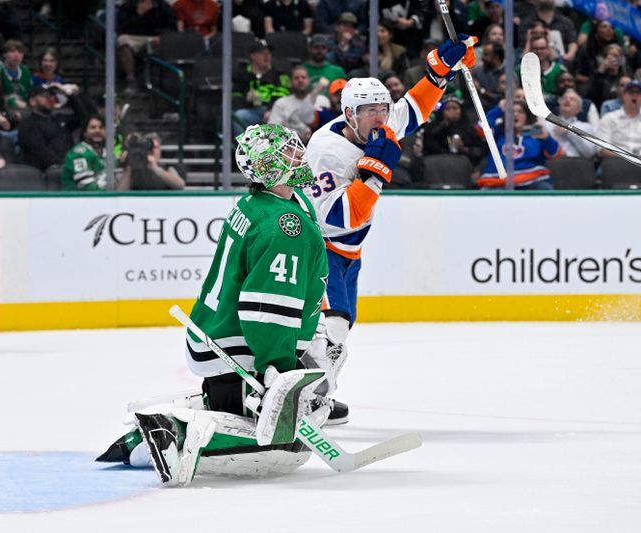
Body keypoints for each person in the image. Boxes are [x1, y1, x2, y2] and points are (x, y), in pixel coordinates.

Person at [99, 124, 330, 487]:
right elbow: (267, 308)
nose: (298, 155)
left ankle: (144, 439)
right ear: (269, 168)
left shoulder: (262, 203)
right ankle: (175, 432)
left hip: (217, 334)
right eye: (288, 152)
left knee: (260, 418)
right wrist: (279, 367)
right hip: (241, 349)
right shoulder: (285, 225)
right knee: (284, 447)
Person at [303, 34, 478, 411]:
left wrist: (439, 71)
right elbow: (336, 219)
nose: (381, 116)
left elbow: (412, 109)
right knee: (330, 332)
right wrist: (375, 176)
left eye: (383, 108)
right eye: (371, 111)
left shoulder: (376, 126)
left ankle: (315, 393)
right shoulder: (326, 150)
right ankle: (309, 398)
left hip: (351, 254)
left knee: (341, 330)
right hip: (322, 251)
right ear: (350, 114)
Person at [477, 99, 563, 189]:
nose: (515, 114)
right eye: (511, 112)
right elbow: (481, 128)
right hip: (498, 180)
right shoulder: (498, 133)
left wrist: (546, 138)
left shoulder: (536, 132)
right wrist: (498, 109)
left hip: (532, 179)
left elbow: (555, 153)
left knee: (545, 189)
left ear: (527, 116)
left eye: (520, 112)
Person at [116, 0, 178, 95]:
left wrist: (161, 35)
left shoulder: (162, 6)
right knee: (122, 41)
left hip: (156, 37)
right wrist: (139, 14)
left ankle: (165, 81)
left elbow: (172, 26)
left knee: (171, 41)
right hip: (134, 36)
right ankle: (131, 80)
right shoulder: (128, 6)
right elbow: (122, 28)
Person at [231, 40, 290, 137]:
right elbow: (234, 97)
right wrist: (246, 99)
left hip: (274, 112)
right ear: (253, 56)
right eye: (262, 53)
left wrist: (272, 110)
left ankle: (275, 150)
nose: (266, 55)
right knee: (239, 116)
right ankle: (244, 150)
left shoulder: (279, 75)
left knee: (277, 117)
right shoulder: (241, 75)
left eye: (268, 53)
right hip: (250, 111)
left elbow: (282, 97)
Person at [267, 65, 330, 143]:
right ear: (291, 82)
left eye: (303, 77)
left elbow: (329, 129)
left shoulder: (322, 100)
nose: (300, 80)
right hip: (290, 147)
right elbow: (272, 131)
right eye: (296, 78)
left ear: (309, 80)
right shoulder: (281, 103)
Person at [17, 84, 71, 172]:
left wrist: (69, 94)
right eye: (45, 96)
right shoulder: (28, 125)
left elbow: (85, 118)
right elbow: (41, 153)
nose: (49, 99)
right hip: (46, 173)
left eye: (50, 96)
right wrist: (65, 165)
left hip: (67, 168)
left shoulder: (59, 119)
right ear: (32, 101)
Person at [423, 95, 484, 165]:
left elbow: (479, 151)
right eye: (447, 109)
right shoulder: (432, 128)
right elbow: (428, 145)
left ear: (461, 111)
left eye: (455, 108)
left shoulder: (469, 129)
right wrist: (445, 124)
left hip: (463, 164)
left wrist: (463, 149)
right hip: (438, 164)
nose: (451, 112)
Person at [116, 132, 186, 190]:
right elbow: (120, 194)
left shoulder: (168, 169)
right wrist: (129, 167)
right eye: (149, 148)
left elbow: (180, 185)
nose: (152, 151)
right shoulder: (132, 171)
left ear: (160, 151)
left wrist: (156, 169)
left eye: (156, 148)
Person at [543, 89, 598, 159]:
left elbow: (589, 153)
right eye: (564, 98)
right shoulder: (547, 124)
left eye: (572, 99)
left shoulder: (586, 127)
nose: (567, 100)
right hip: (551, 162)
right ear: (559, 106)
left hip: (576, 164)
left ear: (579, 109)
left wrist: (569, 132)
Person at [596, 79, 641, 162]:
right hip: (616, 164)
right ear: (624, 95)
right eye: (631, 92)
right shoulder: (609, 118)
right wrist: (630, 158)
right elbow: (601, 149)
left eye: (638, 93)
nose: (634, 95)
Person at [61, 115, 110, 191]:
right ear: (85, 133)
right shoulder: (77, 154)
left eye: (101, 127)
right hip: (76, 200)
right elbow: (87, 187)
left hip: (105, 199)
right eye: (93, 128)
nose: (97, 130)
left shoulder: (109, 153)